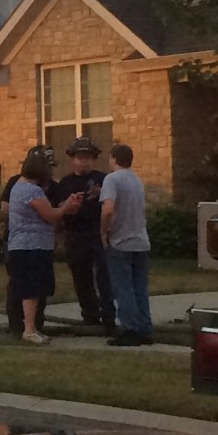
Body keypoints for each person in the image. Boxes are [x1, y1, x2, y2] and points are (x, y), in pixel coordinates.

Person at [1, 146, 75, 346]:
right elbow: (50, 215)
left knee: (33, 288)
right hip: (30, 247)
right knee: (31, 289)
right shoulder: (31, 190)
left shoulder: (18, 186)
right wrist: (66, 207)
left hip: (28, 246)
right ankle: (29, 329)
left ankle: (32, 327)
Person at [98, 141, 154, 346]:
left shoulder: (112, 179)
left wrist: (104, 231)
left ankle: (130, 329)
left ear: (114, 158)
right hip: (141, 240)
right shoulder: (136, 180)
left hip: (121, 241)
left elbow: (108, 209)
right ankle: (145, 327)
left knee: (123, 287)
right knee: (140, 287)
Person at [51, 138, 110, 331]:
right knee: (81, 275)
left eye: (88, 158)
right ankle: (90, 315)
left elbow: (113, 204)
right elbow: (59, 208)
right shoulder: (66, 183)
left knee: (104, 273)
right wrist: (69, 205)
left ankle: (108, 315)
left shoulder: (104, 179)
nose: (84, 162)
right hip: (75, 233)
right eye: (80, 158)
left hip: (98, 232)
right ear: (73, 160)